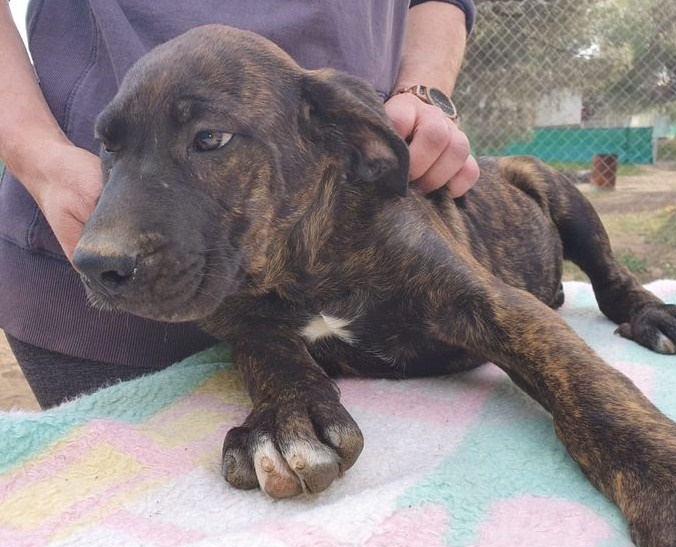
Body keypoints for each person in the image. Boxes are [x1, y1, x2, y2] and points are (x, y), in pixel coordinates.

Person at [0, 0, 479, 408]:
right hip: (94, 285)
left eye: (208, 139)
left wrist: (423, 93)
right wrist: (39, 157)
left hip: (356, 231)